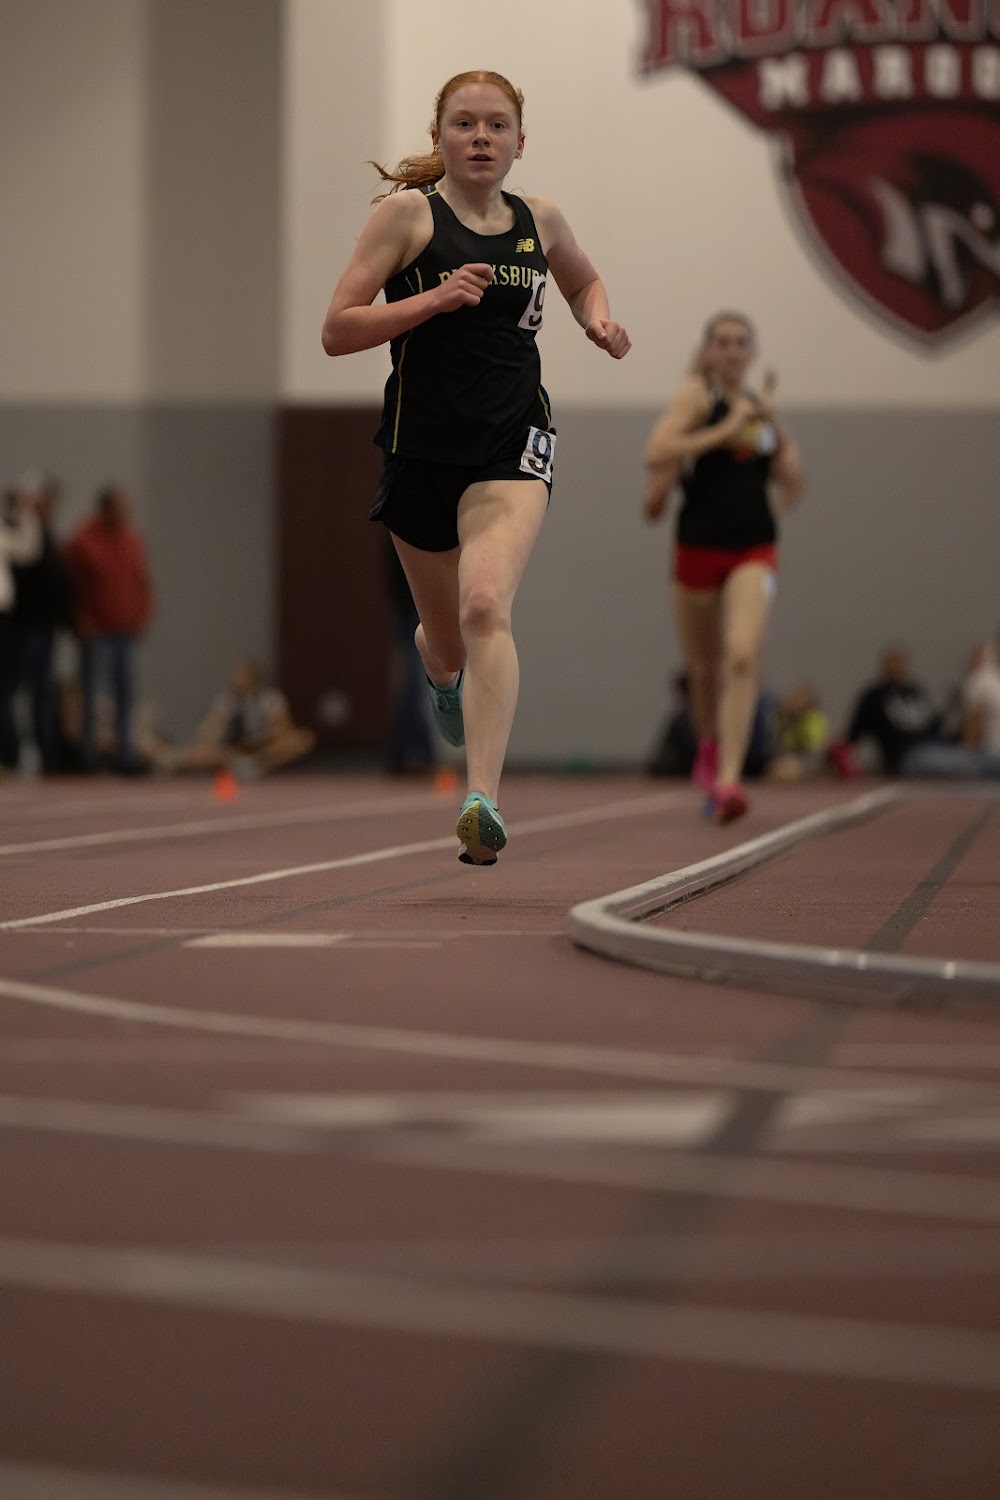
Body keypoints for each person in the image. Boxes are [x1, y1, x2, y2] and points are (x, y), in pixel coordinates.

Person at [321, 69, 630, 865]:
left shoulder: (541, 218)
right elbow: (337, 329)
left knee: (487, 603)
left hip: (512, 443)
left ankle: (481, 801)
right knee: (450, 641)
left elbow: (583, 279)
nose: (482, 137)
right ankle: (440, 668)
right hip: (420, 449)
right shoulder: (406, 217)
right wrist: (433, 299)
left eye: (497, 125)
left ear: (521, 141)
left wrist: (597, 319)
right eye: (465, 123)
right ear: (439, 137)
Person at [643, 312, 804, 823]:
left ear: (752, 352)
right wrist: (723, 432)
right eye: (723, 342)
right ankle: (709, 743)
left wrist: (779, 454)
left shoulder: (759, 407)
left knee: (741, 655)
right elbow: (656, 450)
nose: (732, 351)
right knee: (704, 670)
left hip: (753, 548)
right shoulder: (697, 396)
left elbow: (794, 479)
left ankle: (730, 780)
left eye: (740, 343)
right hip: (697, 549)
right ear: (709, 351)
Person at [65, 485, 154, 773]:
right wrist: (79, 618)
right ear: (105, 509)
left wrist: (142, 616)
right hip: (97, 631)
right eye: (121, 508)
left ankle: (124, 753)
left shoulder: (131, 540)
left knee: (126, 694)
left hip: (125, 628)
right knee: (94, 694)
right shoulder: (83, 541)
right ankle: (89, 755)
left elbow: (142, 581)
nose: (127, 513)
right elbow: (70, 586)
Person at [844, 644, 1000, 777]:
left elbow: (934, 725)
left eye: (900, 662)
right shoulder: (874, 696)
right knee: (968, 765)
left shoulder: (915, 691)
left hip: (938, 746)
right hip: (908, 754)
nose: (896, 667)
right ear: (883, 665)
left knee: (976, 756)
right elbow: (854, 733)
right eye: (892, 662)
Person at [10, 470, 74, 773]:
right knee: (18, 690)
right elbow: (27, 574)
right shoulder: (19, 530)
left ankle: (46, 755)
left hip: (44, 625)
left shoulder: (45, 532)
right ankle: (12, 754)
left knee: (42, 692)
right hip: (25, 626)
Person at [171, 658, 316, 777]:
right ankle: (240, 766)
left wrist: (259, 742)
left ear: (253, 677)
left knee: (301, 740)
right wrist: (204, 743)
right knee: (198, 754)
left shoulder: (270, 698)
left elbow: (283, 729)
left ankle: (257, 766)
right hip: (234, 749)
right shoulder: (227, 700)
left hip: (263, 747)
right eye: (235, 675)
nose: (237, 680)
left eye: (242, 675)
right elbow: (211, 728)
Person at [0, 476, 43, 777]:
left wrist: (26, 513)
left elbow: (27, 551)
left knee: (5, 687)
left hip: (3, 616)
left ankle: (9, 755)